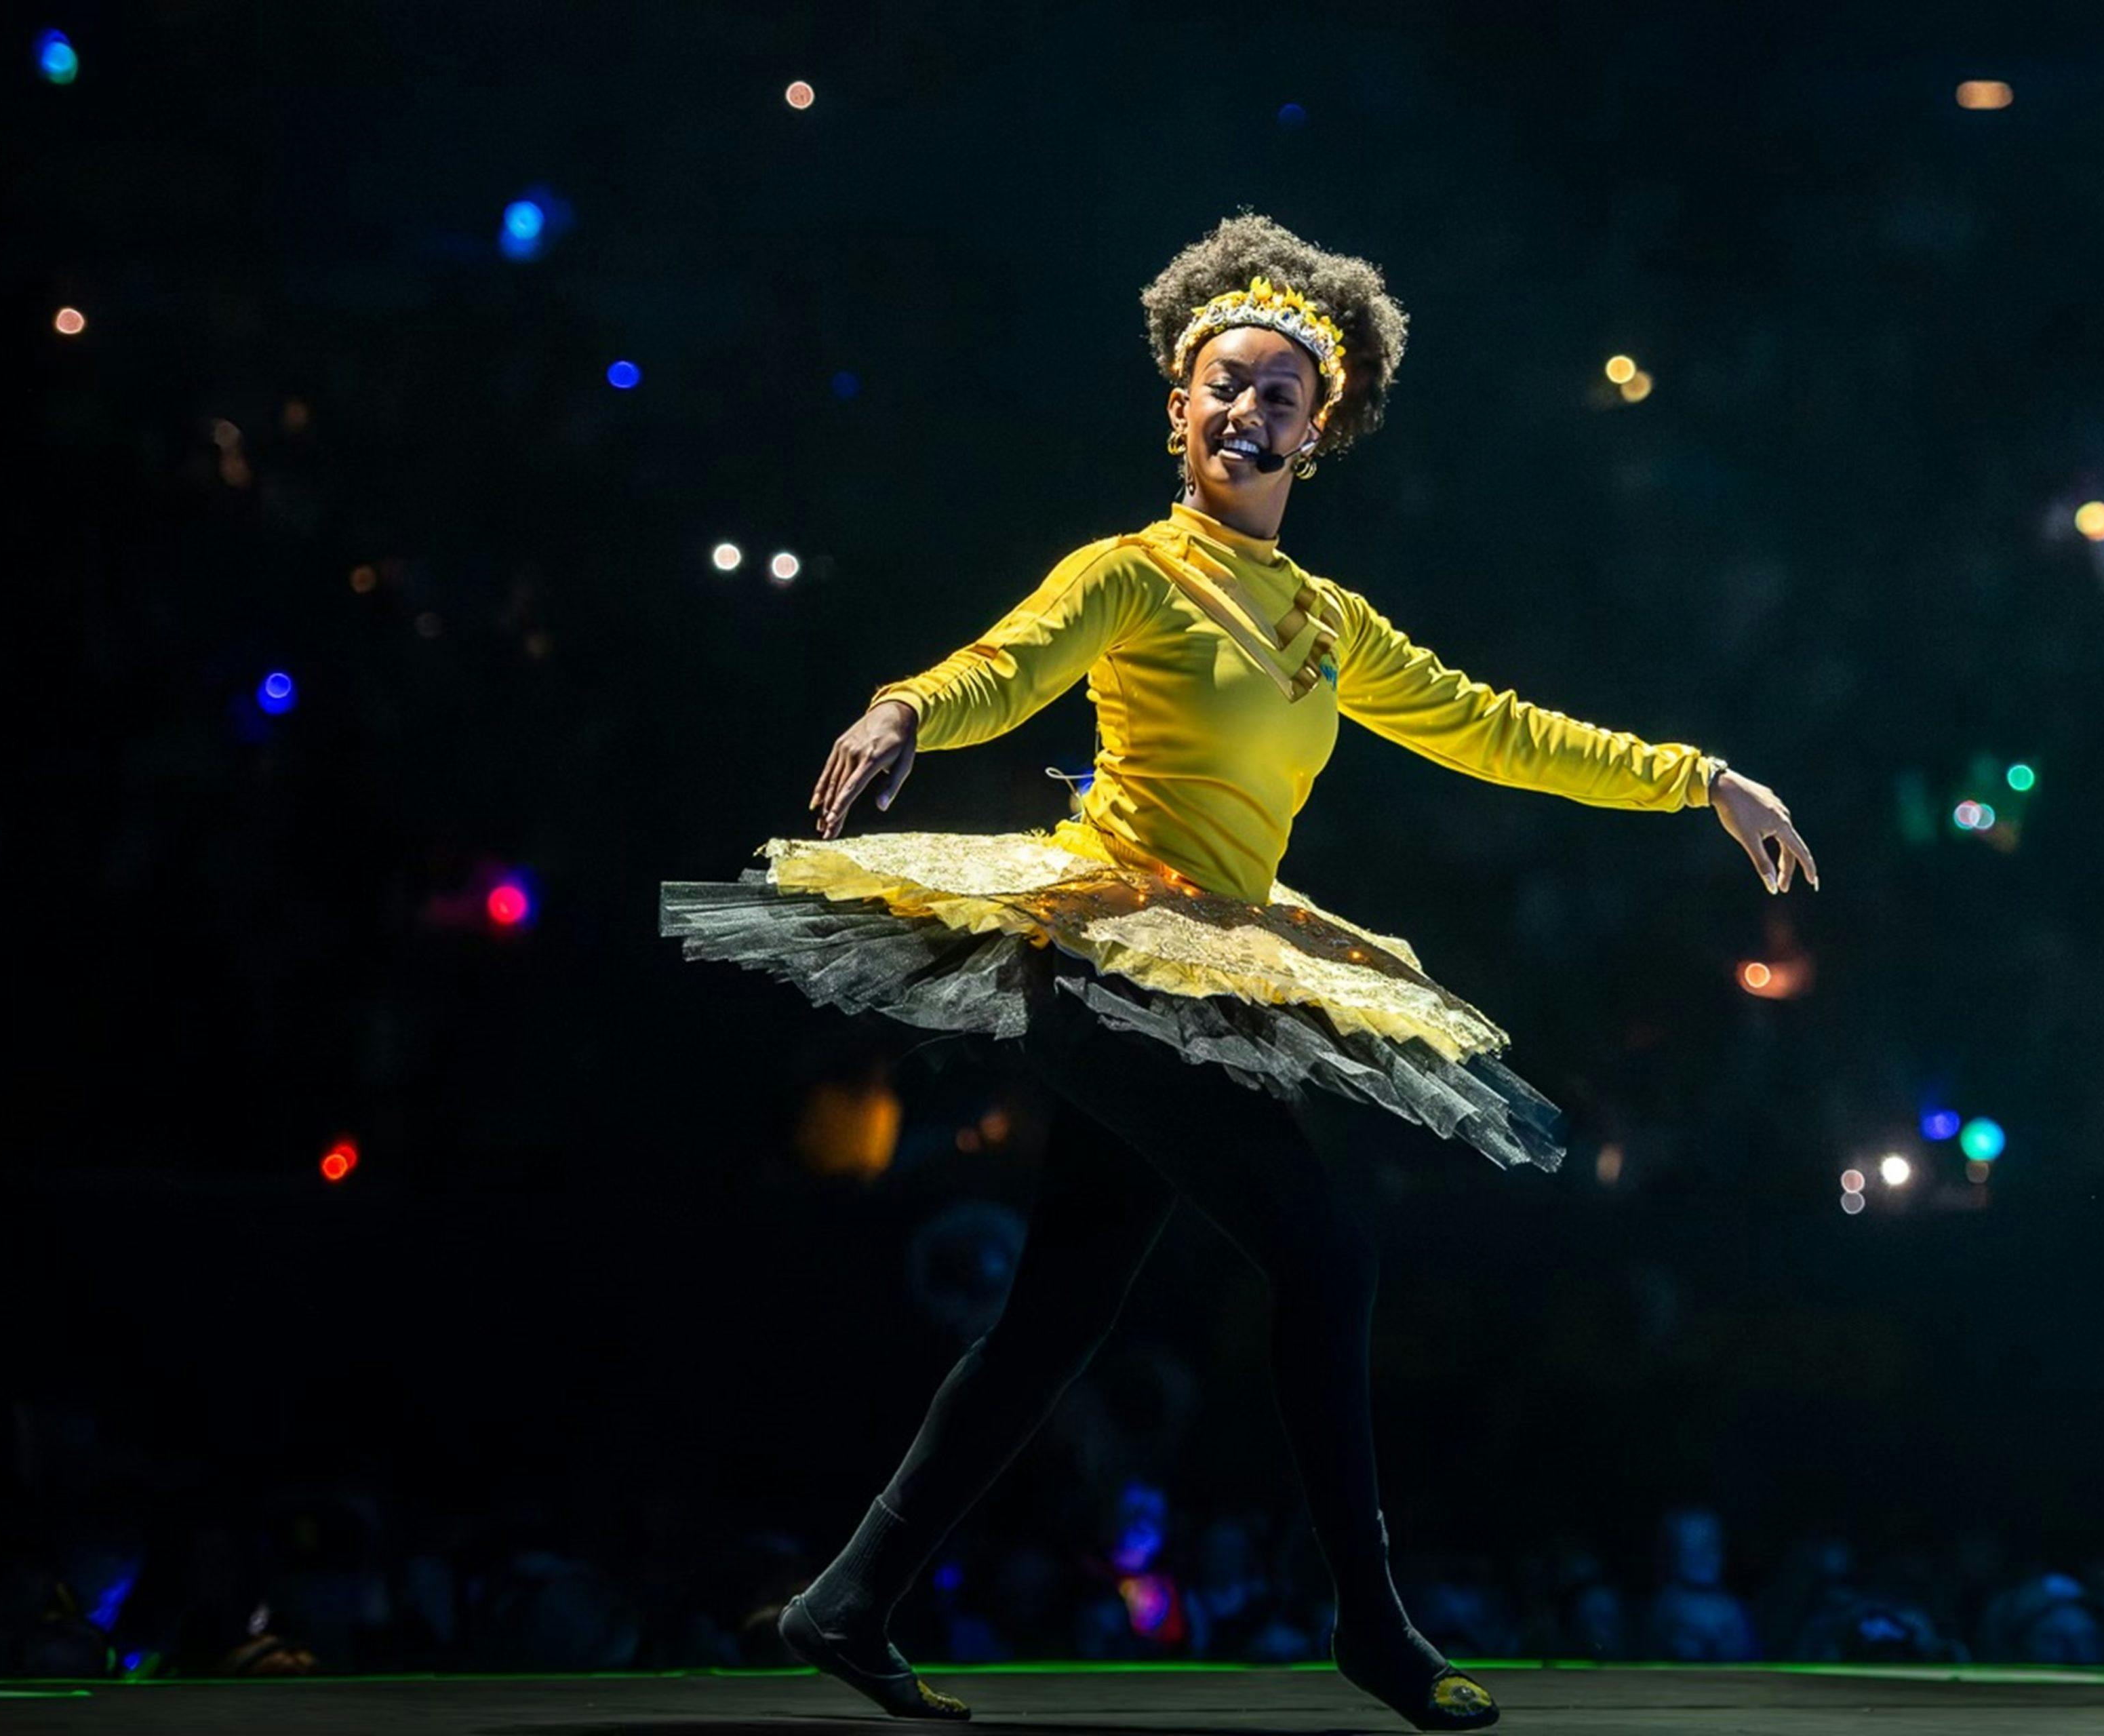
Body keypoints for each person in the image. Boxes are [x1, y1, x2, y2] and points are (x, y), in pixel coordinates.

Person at [660, 212, 1819, 1727]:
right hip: (1104, 963)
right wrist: (904, 707)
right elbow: (1007, 662)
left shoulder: (1331, 624)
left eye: (1277, 394)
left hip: (1218, 974)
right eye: (1222, 386)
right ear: (1177, 409)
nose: (1244, 411)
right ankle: (1372, 1624)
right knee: (1327, 1260)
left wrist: (1700, 775)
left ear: (1315, 429)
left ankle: (851, 1595)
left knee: (1057, 1312)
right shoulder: (1135, 571)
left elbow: (1501, 727)